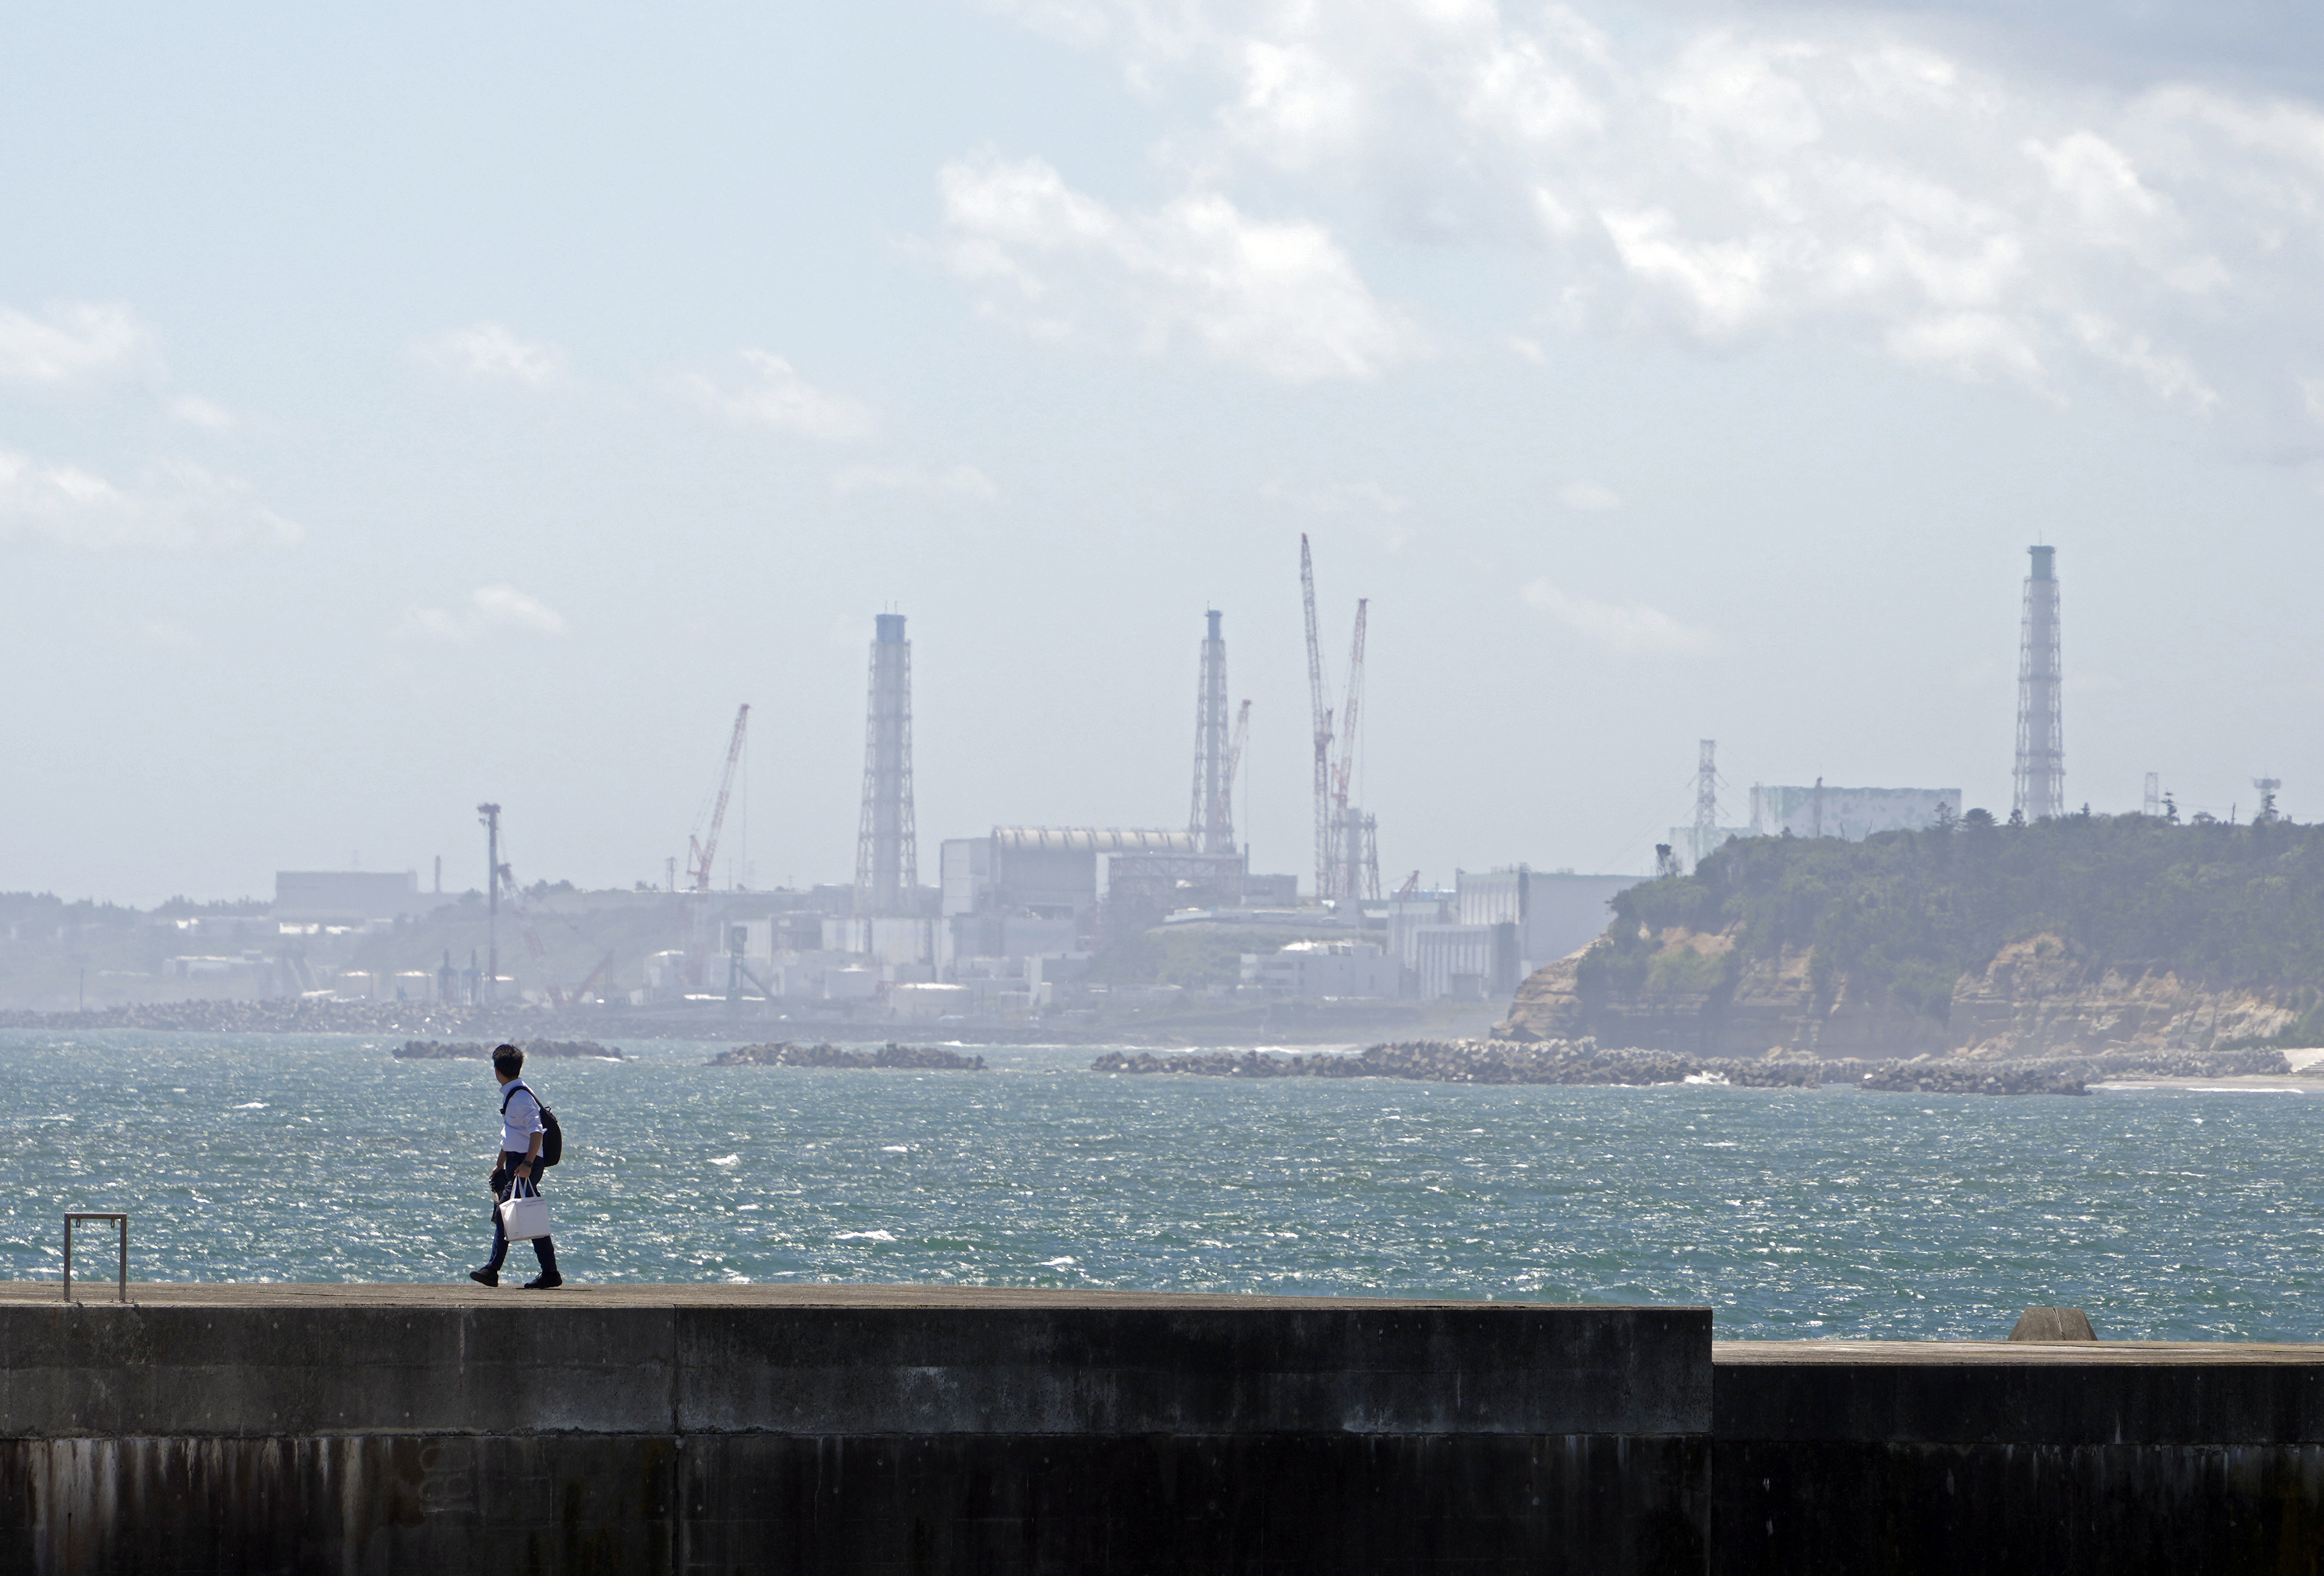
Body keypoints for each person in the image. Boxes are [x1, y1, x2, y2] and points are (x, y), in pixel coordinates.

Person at [469, 1045, 563, 1289]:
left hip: (526, 1163)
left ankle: (492, 1270)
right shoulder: (515, 1094)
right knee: (530, 1214)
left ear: (497, 1070)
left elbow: (536, 1131)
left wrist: (528, 1164)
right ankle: (551, 1273)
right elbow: (514, 1134)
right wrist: (500, 1163)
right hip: (518, 1161)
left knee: (504, 1212)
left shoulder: (520, 1097)